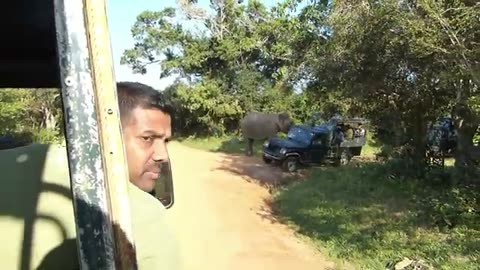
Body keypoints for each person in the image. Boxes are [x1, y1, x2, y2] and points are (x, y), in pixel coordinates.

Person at [0, 81, 179, 270]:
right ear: (107, 134)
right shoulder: (137, 211)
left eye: (165, 141)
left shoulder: (21, 160)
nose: (163, 156)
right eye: (147, 138)